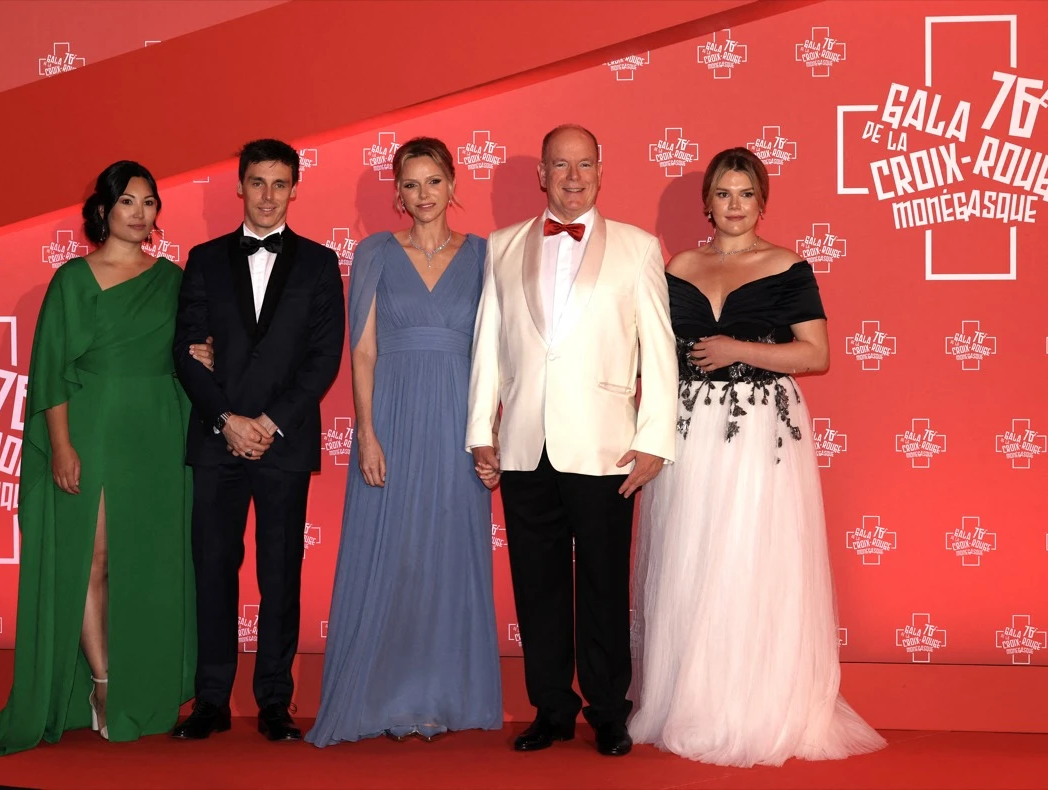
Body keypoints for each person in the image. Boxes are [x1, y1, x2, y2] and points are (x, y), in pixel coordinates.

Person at [0, 161, 206, 753]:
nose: (139, 213)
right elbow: (49, 368)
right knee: (90, 560)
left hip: (156, 434)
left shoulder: (173, 280)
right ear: (103, 210)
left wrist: (204, 356)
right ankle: (103, 683)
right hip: (91, 428)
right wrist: (62, 445)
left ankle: (143, 686)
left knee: (147, 563)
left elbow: (188, 352)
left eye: (149, 202)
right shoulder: (73, 280)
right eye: (127, 201)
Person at [627, 147, 886, 766]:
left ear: (762, 201)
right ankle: (692, 701)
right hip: (690, 431)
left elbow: (815, 354)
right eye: (723, 194)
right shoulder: (679, 265)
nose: (735, 205)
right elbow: (655, 351)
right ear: (708, 203)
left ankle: (754, 706)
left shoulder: (788, 266)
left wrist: (738, 349)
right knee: (691, 560)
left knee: (750, 558)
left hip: (761, 431)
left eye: (746, 194)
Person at [467, 124, 677, 757]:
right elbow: (487, 342)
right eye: (560, 165)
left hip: (606, 446)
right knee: (538, 584)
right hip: (525, 442)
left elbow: (659, 349)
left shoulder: (639, 248)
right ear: (542, 174)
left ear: (601, 170)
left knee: (605, 585)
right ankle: (551, 708)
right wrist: (480, 429)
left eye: (584, 164)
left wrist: (655, 438)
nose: (573, 177)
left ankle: (609, 711)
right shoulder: (502, 245)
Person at [306, 137, 502, 747]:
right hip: (390, 416)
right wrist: (366, 434)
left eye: (433, 181)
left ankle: (441, 695)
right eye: (411, 184)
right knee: (392, 555)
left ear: (453, 184)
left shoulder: (485, 255)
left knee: (447, 553)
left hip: (457, 421)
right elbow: (362, 351)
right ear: (397, 192)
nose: (423, 195)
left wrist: (488, 432)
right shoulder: (374, 253)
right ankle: (382, 696)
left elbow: (494, 353)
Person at [172, 139, 345, 742]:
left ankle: (275, 700)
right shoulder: (203, 259)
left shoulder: (320, 264)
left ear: (294, 189)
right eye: (257, 182)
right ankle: (211, 700)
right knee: (213, 570)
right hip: (215, 440)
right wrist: (227, 420)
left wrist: (267, 424)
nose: (268, 196)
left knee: (281, 574)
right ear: (239, 186)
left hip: (283, 443)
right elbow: (186, 351)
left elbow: (324, 358)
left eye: (279, 184)